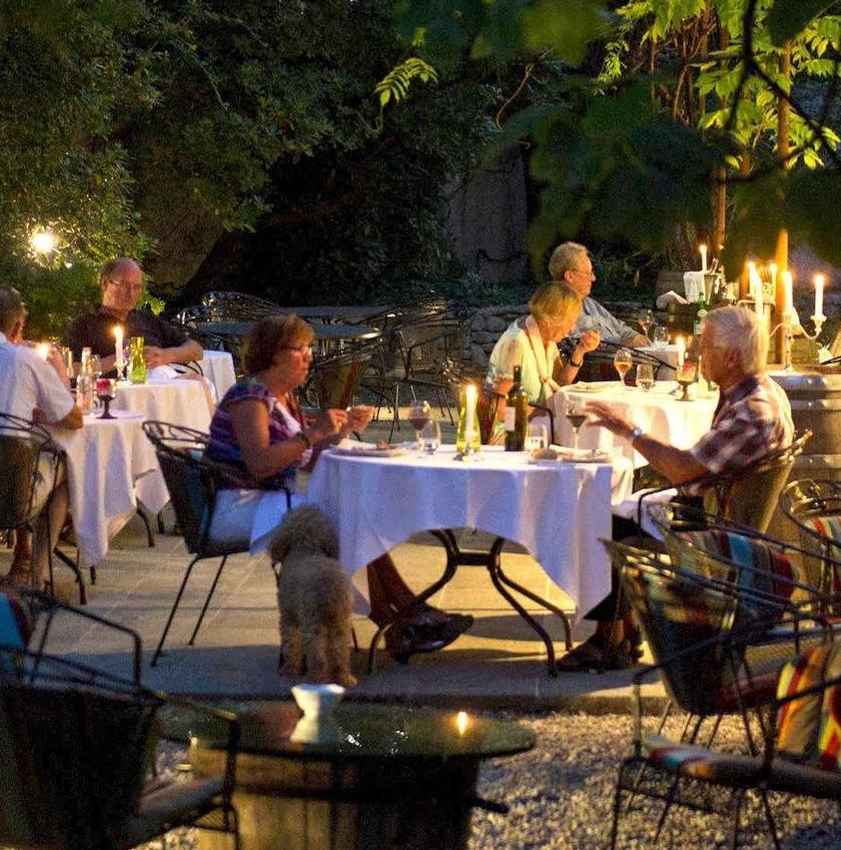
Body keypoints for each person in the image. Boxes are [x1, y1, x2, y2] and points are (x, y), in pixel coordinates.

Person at [205, 313, 471, 658]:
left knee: (352, 512)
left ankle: (401, 622)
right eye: (300, 349)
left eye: (309, 348)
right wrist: (313, 433)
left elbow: (308, 460)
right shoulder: (249, 396)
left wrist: (339, 433)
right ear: (273, 354)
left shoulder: (285, 398)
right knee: (345, 516)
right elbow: (260, 464)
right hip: (239, 506)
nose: (309, 357)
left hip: (271, 500)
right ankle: (403, 618)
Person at [560, 305, 794, 671]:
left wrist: (628, 430)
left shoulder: (753, 411)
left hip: (714, 522)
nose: (698, 355)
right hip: (716, 501)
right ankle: (624, 632)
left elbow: (684, 470)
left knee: (601, 520)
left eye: (707, 347)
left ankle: (610, 640)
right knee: (616, 509)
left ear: (732, 357)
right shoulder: (761, 390)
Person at [0, 287, 82, 586]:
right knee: (64, 464)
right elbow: (74, 419)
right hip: (10, 498)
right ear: (17, 326)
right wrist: (58, 367)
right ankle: (37, 577)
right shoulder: (24, 360)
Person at [63, 257, 205, 373]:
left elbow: (196, 350)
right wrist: (120, 357)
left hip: (161, 394)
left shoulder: (147, 320)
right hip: (115, 399)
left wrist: (166, 355)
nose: (131, 294)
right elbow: (69, 369)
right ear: (105, 284)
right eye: (124, 286)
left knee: (197, 381)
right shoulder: (84, 325)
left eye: (137, 287)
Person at [487, 281, 602, 407]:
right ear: (551, 320)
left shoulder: (547, 341)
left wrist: (580, 351)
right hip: (517, 424)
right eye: (570, 321)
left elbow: (559, 384)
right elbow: (500, 406)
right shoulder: (515, 344)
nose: (572, 328)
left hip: (541, 419)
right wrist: (543, 415)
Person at [548, 242, 648, 348]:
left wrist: (636, 337)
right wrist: (623, 342)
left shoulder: (589, 303)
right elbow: (577, 343)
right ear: (570, 276)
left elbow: (621, 328)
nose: (593, 278)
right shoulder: (557, 308)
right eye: (588, 273)